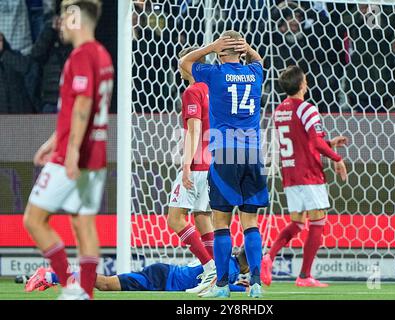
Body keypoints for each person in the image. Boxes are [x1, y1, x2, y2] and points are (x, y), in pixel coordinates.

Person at [23, 0, 114, 300]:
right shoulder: (102, 55)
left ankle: (69, 285)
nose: (61, 21)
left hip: (73, 156)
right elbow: (75, 109)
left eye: (65, 14)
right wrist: (51, 143)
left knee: (34, 220)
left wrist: (70, 150)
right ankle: (85, 293)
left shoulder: (81, 56)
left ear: (76, 17)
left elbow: (83, 105)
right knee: (83, 223)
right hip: (96, 155)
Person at [180, 31, 268, 298]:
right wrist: (247, 48)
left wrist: (211, 46)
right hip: (252, 153)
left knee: (220, 222)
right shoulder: (254, 73)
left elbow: (184, 62)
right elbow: (259, 60)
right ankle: (255, 285)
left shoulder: (215, 74)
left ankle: (221, 286)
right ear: (241, 51)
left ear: (220, 52)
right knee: (250, 222)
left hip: (225, 152)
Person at [261, 65, 348, 287]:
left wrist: (329, 143)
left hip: (290, 172)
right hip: (308, 173)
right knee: (318, 220)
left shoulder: (280, 110)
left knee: (298, 223)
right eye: (306, 80)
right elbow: (314, 142)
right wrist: (337, 159)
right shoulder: (307, 108)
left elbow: (302, 141)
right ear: (302, 84)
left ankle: (268, 257)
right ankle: (304, 276)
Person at [166, 46, 215, 294]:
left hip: (196, 164)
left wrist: (185, 165)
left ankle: (209, 269)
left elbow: (194, 130)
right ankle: (218, 275)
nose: (179, 66)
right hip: (213, 163)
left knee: (174, 219)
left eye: (181, 62)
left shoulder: (193, 91)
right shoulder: (214, 90)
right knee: (202, 217)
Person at [25, 248, 250, 293]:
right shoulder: (230, 270)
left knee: (105, 284)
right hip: (161, 279)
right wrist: (241, 291)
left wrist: (236, 286)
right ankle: (51, 274)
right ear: (248, 265)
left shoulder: (225, 261)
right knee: (105, 285)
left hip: (165, 273)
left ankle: (53, 275)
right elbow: (219, 288)